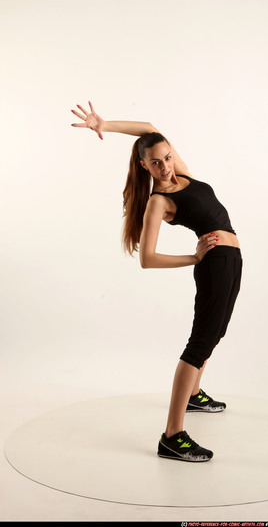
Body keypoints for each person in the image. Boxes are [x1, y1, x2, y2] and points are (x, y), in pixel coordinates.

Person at [71, 101, 243, 462]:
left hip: (231, 259)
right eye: (156, 162)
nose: (164, 166)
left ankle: (194, 395)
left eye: (166, 157)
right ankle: (172, 435)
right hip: (214, 263)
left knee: (216, 333)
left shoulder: (181, 174)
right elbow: (147, 260)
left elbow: (149, 126)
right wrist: (194, 258)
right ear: (144, 166)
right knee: (199, 344)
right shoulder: (159, 201)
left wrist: (105, 123)